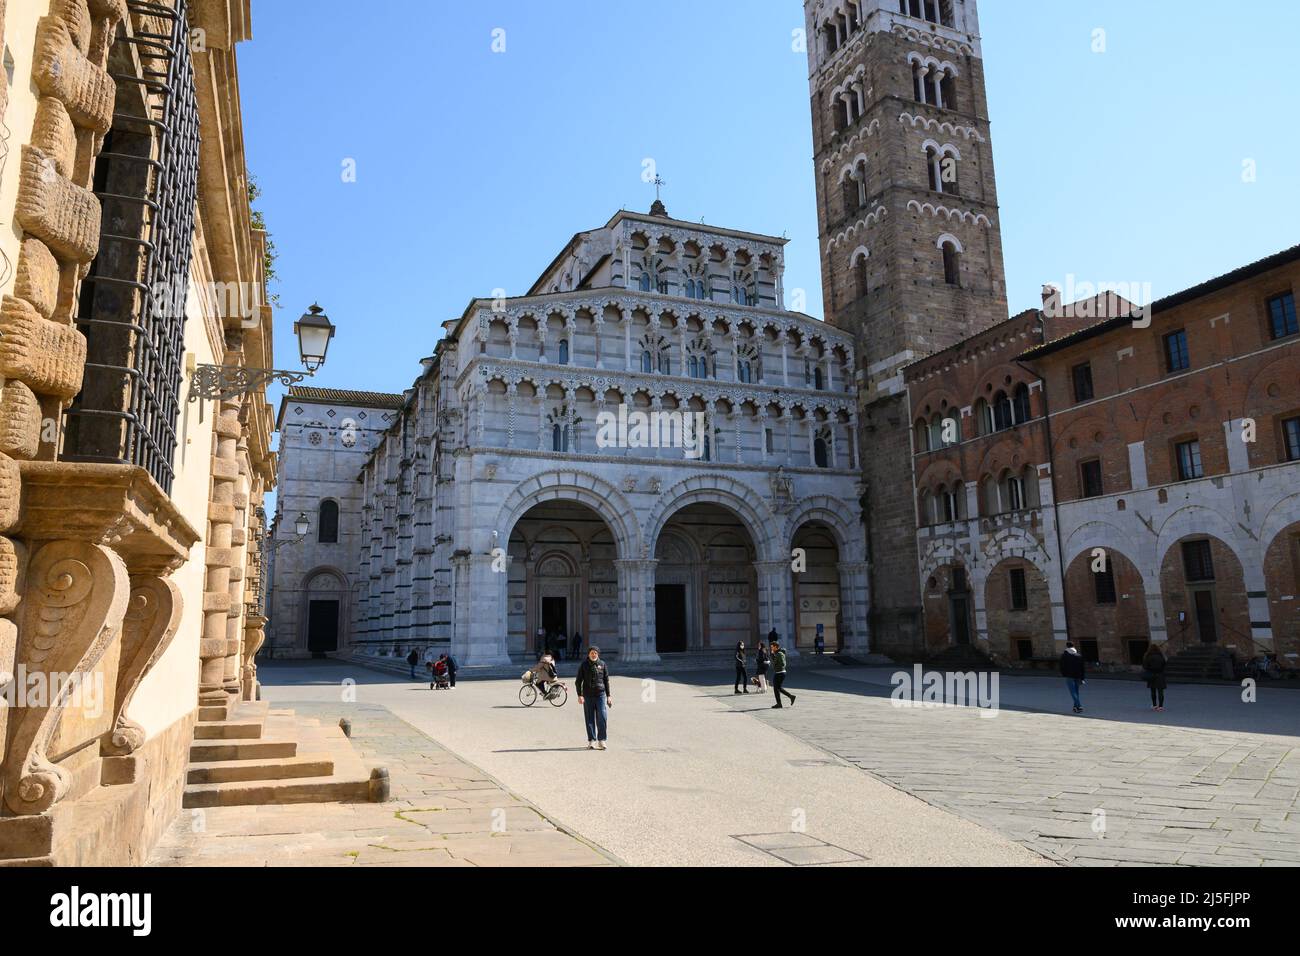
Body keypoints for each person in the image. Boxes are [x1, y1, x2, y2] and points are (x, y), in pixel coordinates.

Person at [575, 646, 612, 750]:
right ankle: (592, 740)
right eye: (591, 652)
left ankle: (602, 740)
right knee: (589, 718)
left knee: (602, 716)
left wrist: (609, 696)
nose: (593, 654)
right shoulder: (584, 665)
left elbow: (606, 680)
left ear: (598, 654)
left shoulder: (602, 664)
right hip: (587, 695)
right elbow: (578, 681)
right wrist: (580, 695)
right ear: (588, 654)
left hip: (600, 694)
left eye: (595, 653)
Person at [1060, 641, 1086, 713]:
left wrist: (1064, 674)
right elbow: (1082, 668)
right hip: (1078, 676)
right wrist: (1082, 678)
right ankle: (1075, 707)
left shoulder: (1064, 656)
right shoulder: (1079, 655)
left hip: (1069, 676)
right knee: (1076, 692)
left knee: (1073, 692)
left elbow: (1062, 667)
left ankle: (1079, 705)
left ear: (1067, 646)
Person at [770, 640, 795, 709]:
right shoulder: (777, 653)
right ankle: (790, 697)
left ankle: (779, 703)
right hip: (779, 673)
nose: (771, 648)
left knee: (776, 688)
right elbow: (775, 661)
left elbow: (782, 664)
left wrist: (776, 665)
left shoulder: (779, 654)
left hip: (780, 673)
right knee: (778, 688)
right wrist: (773, 655)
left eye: (772, 647)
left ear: (776, 647)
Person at [1143, 645, 1167, 711]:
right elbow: (1164, 665)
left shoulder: (1148, 656)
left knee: (1153, 691)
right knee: (1160, 691)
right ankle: (1161, 707)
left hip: (1151, 674)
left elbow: (1145, 666)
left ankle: (1154, 705)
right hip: (1160, 675)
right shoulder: (1161, 656)